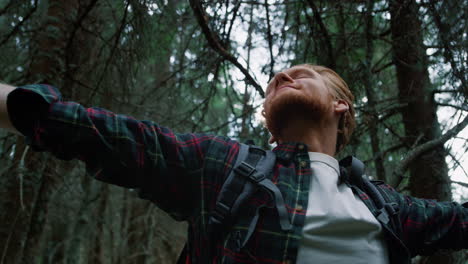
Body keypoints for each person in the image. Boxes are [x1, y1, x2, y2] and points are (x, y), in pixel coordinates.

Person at [0, 64, 466, 264]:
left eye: (302, 75)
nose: (281, 75)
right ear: (266, 122)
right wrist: (15, 104)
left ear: (342, 105)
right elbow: (102, 134)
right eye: (274, 82)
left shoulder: (385, 207)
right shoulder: (226, 167)